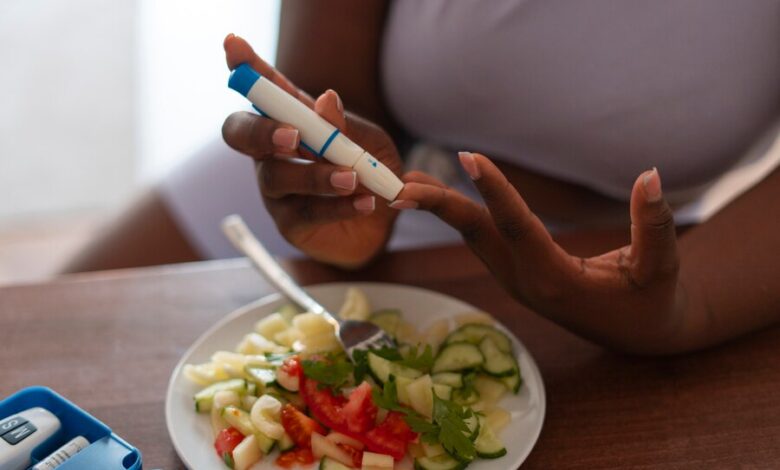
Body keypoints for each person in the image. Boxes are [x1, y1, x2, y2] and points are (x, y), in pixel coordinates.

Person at [66, 1, 780, 355]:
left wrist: (686, 310)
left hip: (645, 257)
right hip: (359, 183)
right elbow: (329, 96)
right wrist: (334, 185)